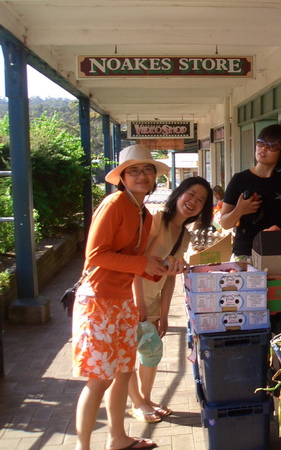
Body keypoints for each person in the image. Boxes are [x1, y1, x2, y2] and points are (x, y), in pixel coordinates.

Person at [72, 144, 169, 450]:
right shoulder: (114, 205)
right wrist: (144, 264)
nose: (142, 176)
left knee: (124, 372)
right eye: (134, 171)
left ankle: (118, 438)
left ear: (155, 176)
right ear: (122, 178)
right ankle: (83, 447)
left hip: (123, 300)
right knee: (99, 380)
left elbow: (136, 263)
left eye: (148, 170)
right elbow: (96, 254)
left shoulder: (143, 213)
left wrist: (164, 270)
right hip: (98, 301)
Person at [128, 176, 213, 423]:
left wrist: (164, 315)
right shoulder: (156, 220)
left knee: (151, 351)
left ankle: (146, 397)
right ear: (179, 193)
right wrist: (139, 304)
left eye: (201, 200)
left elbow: (169, 279)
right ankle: (137, 403)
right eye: (191, 194)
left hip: (153, 301)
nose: (194, 202)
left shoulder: (184, 235)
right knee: (127, 354)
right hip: (131, 299)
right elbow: (135, 262)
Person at [220, 124, 281, 260]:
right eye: (260, 143)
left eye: (271, 146)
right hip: (246, 253)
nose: (263, 149)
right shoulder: (240, 179)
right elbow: (224, 223)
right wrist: (240, 210)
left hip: (277, 251)